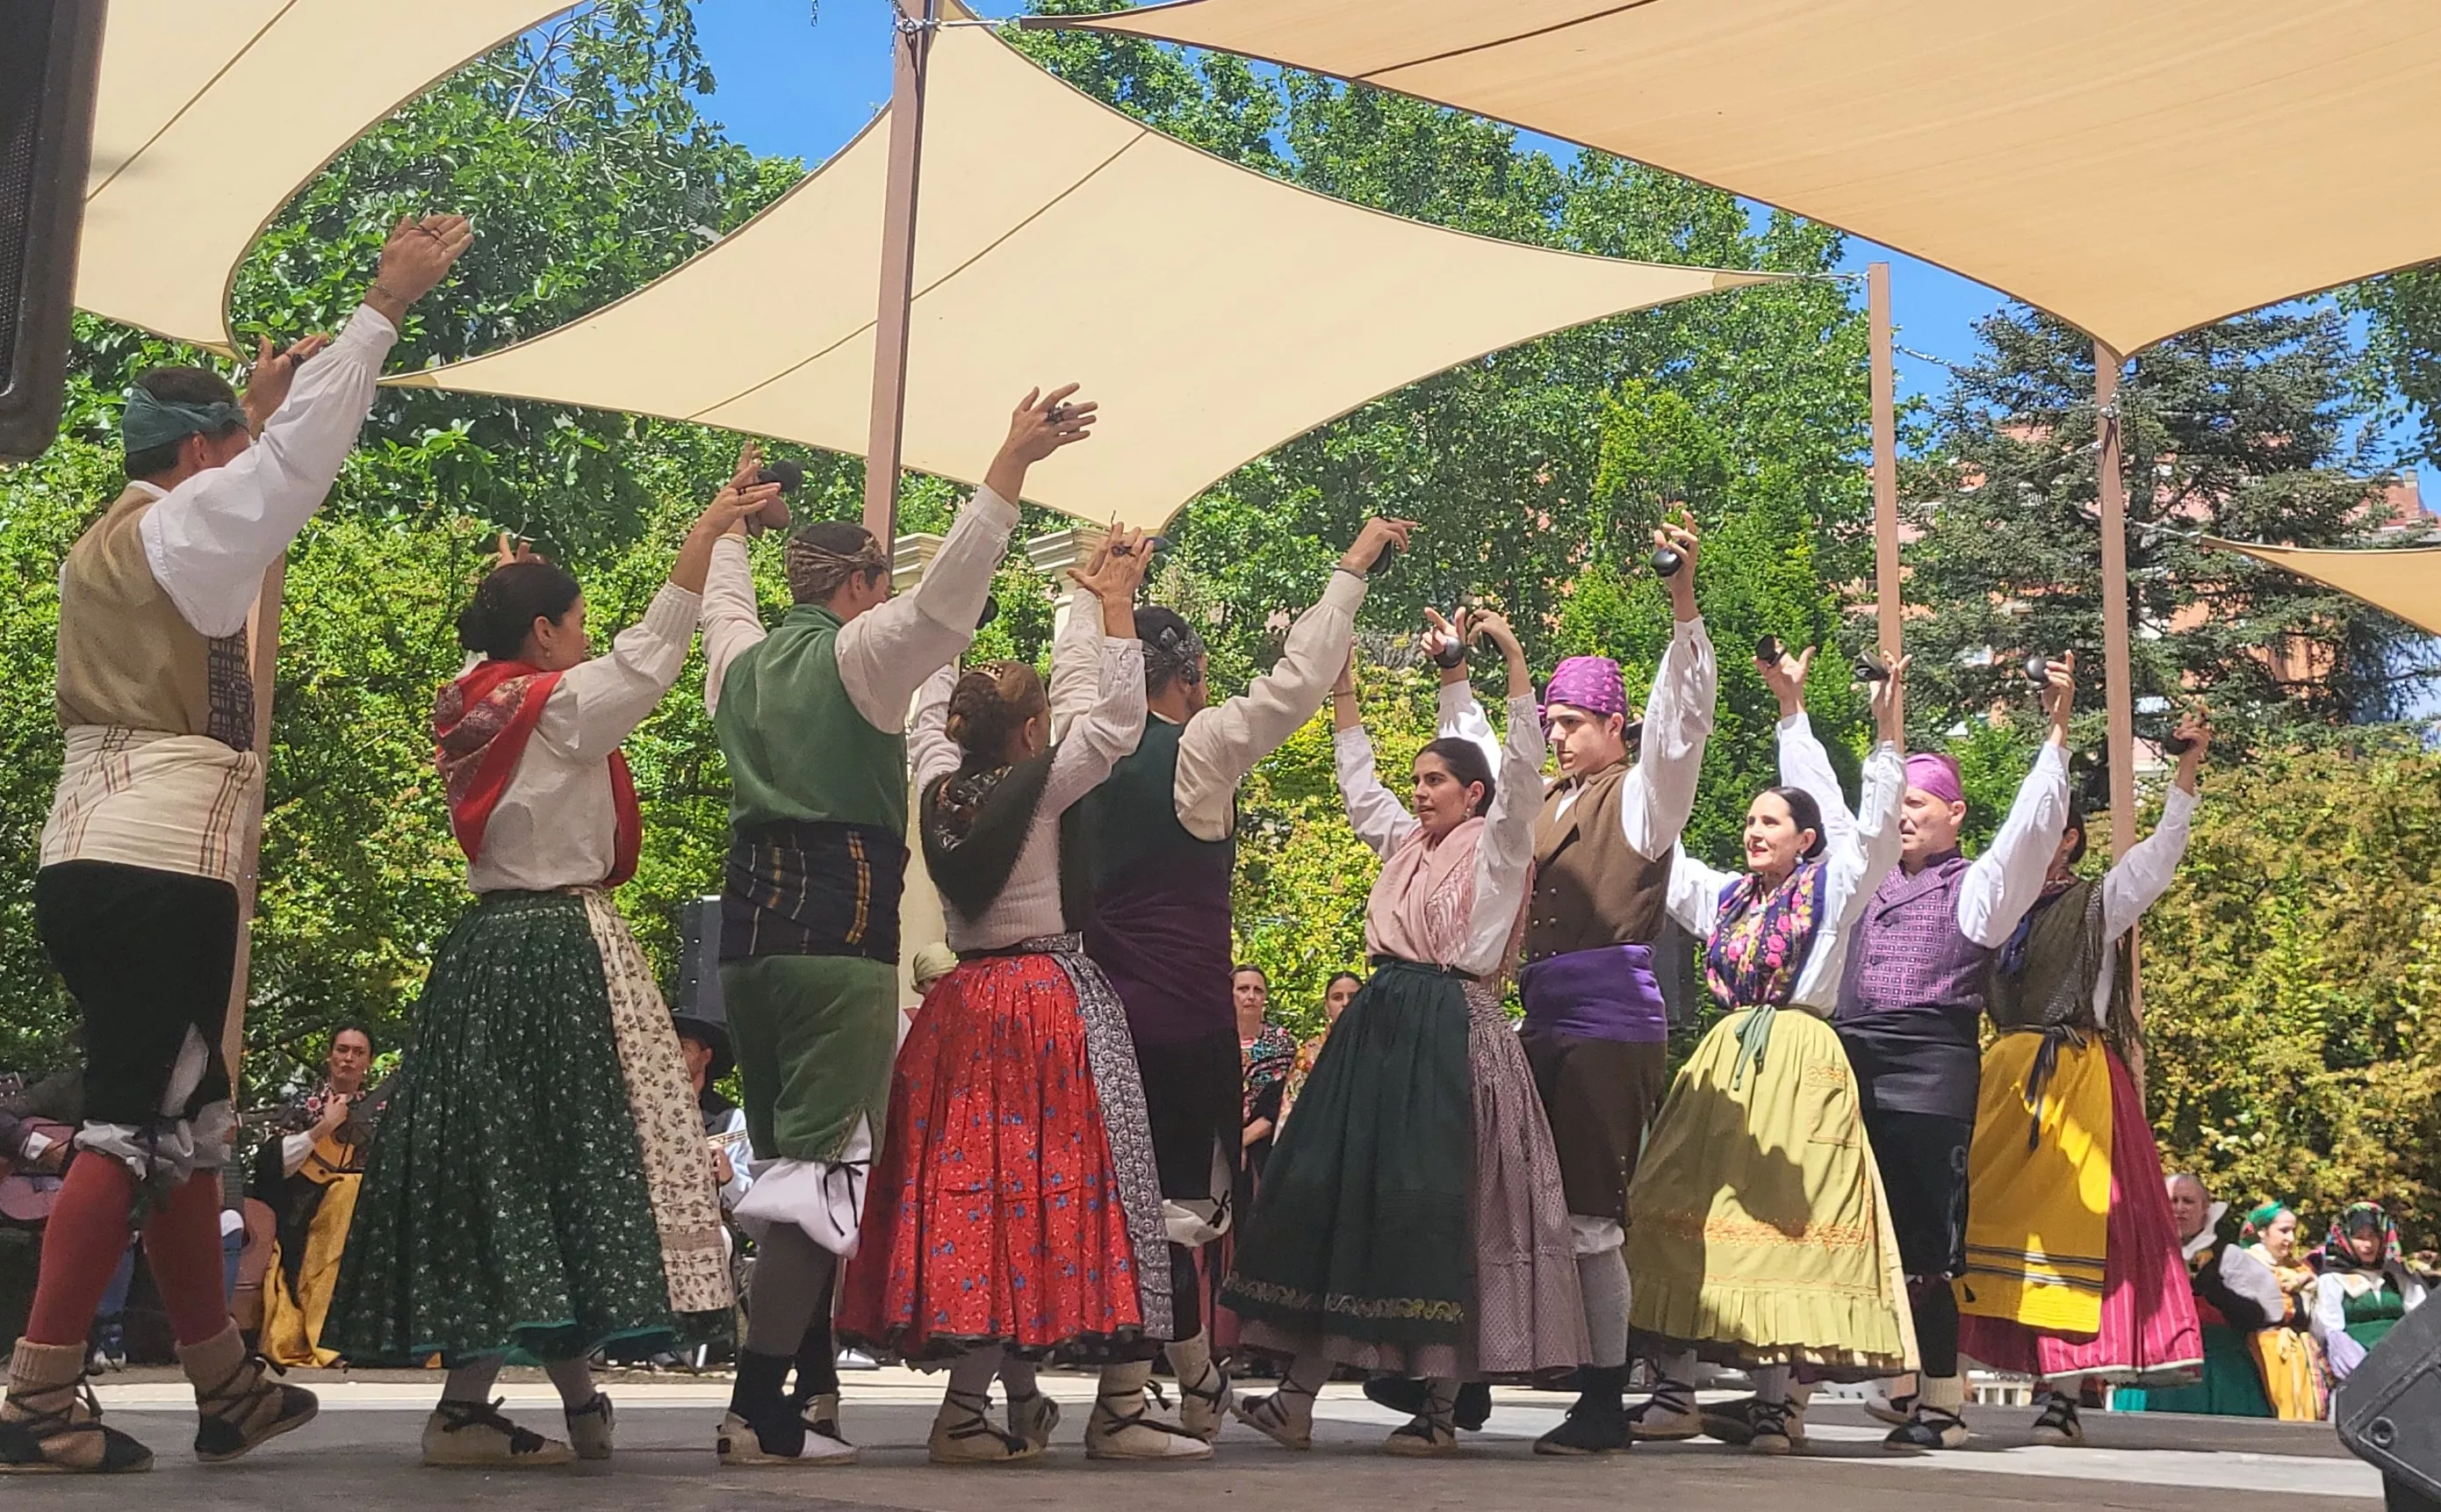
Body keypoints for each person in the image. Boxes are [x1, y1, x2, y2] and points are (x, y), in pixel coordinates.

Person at [4, 212, 469, 1477]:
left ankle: (224, 1380)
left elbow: (245, 487)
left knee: (187, 1122)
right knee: (127, 1126)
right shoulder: (186, 532)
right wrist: (383, 305)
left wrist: (248, 425)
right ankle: (41, 1393)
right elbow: (288, 477)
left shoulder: (112, 535)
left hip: (91, 849)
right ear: (202, 453)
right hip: (164, 861)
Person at [332, 467, 769, 1466]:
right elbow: (655, 655)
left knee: (515, 1164)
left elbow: (549, 656)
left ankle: (563, 1402)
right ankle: (473, 1407)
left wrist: (514, 590)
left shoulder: (471, 700)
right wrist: (706, 529)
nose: (583, 637)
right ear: (540, 638)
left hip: (483, 949)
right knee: (566, 1163)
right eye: (571, 622)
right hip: (562, 950)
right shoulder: (559, 708)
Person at [701, 392, 1095, 1465]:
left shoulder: (735, 661)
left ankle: (787, 1401)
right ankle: (755, 1412)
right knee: (819, 1177)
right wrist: (1006, 465)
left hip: (743, 938)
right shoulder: (861, 656)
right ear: (863, 585)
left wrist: (731, 527)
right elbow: (953, 599)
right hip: (839, 926)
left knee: (784, 1163)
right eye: (880, 582)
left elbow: (718, 604)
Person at [1052, 514, 1411, 1447]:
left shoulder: (1076, 743)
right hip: (1176, 1015)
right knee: (1170, 1208)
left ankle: (1196, 1383)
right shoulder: (1200, 747)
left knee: (1115, 1202)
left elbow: (1077, 678)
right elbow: (1293, 686)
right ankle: (1125, 1406)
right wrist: (1352, 566)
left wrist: (1089, 601)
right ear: (1191, 676)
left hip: (1086, 1007)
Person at [839, 528, 1190, 1463]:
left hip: (961, 1006)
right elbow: (1113, 721)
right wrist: (1108, 604)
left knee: (975, 1200)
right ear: (1032, 733)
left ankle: (986, 1402)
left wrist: (957, 633)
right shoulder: (1040, 787)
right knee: (1059, 1192)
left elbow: (923, 718)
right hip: (1043, 999)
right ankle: (1082, 1409)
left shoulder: (936, 783)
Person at [1228, 609, 1588, 1456]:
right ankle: (1295, 1398)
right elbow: (1360, 786)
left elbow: (1526, 774)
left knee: (1447, 1211)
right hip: (1381, 1034)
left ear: (1476, 795)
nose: (1420, 790)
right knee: (1346, 1204)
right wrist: (1344, 688)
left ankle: (1437, 1410)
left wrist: (1516, 666)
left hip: (1453, 1037)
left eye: (1436, 780)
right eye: (1418, 779)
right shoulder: (1404, 844)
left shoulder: (1498, 846)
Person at [1620, 644, 1912, 1456]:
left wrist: (1872, 730)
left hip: (1797, 1060)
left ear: (1807, 839)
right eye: (1749, 820)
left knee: (1787, 1224)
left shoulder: (1837, 883)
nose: (1753, 830)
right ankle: (1673, 1389)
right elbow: (1657, 850)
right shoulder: (1726, 898)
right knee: (1673, 1209)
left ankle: (1778, 1405)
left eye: (1769, 821)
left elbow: (1877, 829)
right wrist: (1633, 769)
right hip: (1722, 1065)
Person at [1509, 515, 1717, 1457]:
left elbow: (1681, 729)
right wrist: (1458, 681)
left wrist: (1681, 602)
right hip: (1540, 1020)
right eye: (1550, 720)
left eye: (1571, 722)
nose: (1555, 735)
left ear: (1613, 726)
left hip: (1607, 1022)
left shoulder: (1642, 794)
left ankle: (1601, 1401)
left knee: (1592, 1214)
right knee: (1518, 1200)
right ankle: (1468, 1384)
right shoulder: (1547, 801)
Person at [1834, 657, 2076, 1451]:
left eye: (1918, 805)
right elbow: (1850, 818)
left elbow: (2031, 834)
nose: (1902, 817)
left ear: (1955, 815)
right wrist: (1865, 725)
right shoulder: (1864, 882)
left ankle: (1941, 1402)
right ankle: (1820, 1395)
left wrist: (2056, 734)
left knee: (1927, 1245)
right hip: (1851, 1061)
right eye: (1898, 804)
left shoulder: (1976, 888)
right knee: (1848, 1231)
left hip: (1932, 1069)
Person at [1954, 714, 2215, 1445]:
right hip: (2002, 1077)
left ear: (2067, 838)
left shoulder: (2097, 901)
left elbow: (2161, 858)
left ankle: (2062, 1398)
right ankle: (1933, 1389)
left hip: (2071, 1081)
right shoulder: (1992, 907)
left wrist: (2185, 777)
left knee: (2065, 1239)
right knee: (1972, 1231)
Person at [252, 1027, 386, 1368]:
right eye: (342, 1050)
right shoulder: (303, 1102)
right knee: (345, 1196)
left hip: (370, 1218)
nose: (349, 1059)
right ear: (330, 1055)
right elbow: (273, 1165)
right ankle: (322, 1336)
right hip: (305, 1214)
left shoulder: (384, 1109)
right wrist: (322, 1128)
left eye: (358, 1052)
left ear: (369, 1062)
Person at [2115, 1175, 2285, 1416]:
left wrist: (2217, 1291)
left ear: (2205, 1209)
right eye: (2172, 1201)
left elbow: (2264, 1314)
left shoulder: (2228, 1256)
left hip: (2219, 1375)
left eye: (2188, 1202)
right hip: (2151, 1369)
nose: (2179, 1209)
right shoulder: (2139, 1253)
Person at [2310, 1203, 2430, 1387]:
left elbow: (2421, 1315)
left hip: (2407, 1365)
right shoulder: (2332, 1278)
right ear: (2345, 1239)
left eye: (2373, 1236)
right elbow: (2330, 1332)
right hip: (2359, 1372)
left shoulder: (2397, 1274)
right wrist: (2364, 1370)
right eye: (2359, 1237)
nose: (2368, 1244)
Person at [2243, 1203, 2329, 1420]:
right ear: (2263, 1232)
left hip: (2299, 1351)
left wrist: (2311, 1284)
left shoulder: (2299, 1269)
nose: (2290, 1238)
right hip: (2262, 1349)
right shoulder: (2246, 1262)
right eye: (2283, 1231)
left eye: (2293, 1231)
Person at [1235, 968, 1298, 1179]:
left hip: (1267, 1146)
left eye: (1258, 990)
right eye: (1243, 989)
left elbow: (1285, 1100)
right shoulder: (1212, 1040)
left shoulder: (1282, 1043)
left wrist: (1243, 1139)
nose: (1251, 996)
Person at [1282, 973, 1363, 1124]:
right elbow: (1289, 1112)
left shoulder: (1380, 1050)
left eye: (1353, 997)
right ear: (1326, 1006)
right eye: (1337, 997)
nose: (1345, 1003)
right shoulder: (1308, 1054)